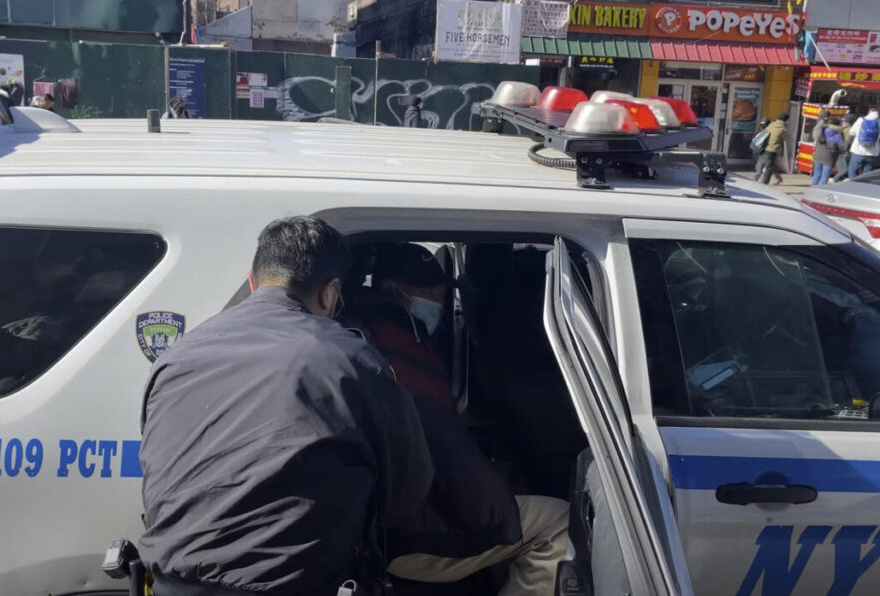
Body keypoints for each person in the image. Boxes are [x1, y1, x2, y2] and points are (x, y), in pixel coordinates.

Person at [139, 217, 434, 596]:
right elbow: (406, 496)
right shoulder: (349, 359)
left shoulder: (176, 357)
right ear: (330, 294)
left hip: (169, 584)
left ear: (252, 280)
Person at [346, 242, 570, 596]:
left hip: (404, 511)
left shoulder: (388, 335)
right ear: (392, 289)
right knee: (559, 523)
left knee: (511, 497)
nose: (436, 297)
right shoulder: (390, 350)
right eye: (426, 289)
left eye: (439, 289)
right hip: (405, 529)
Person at [848, 105, 880, 178]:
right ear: (878, 113)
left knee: (853, 171)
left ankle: (852, 186)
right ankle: (863, 187)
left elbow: (851, 132)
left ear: (869, 112)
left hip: (858, 150)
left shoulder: (861, 120)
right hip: (872, 152)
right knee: (866, 174)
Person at [811, 117, 846, 186]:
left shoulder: (823, 129)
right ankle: (820, 191)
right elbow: (842, 147)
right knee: (825, 176)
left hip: (818, 155)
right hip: (829, 157)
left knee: (817, 173)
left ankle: (813, 188)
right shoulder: (838, 134)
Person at [757, 112, 788, 186]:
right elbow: (785, 139)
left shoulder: (771, 125)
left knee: (769, 164)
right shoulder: (783, 129)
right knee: (768, 167)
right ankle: (764, 184)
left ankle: (778, 178)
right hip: (772, 150)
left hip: (764, 147)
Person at [832, 115, 857, 182]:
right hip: (845, 152)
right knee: (844, 169)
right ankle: (836, 180)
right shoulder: (849, 130)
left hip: (838, 151)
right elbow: (847, 142)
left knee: (842, 169)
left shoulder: (840, 128)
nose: (843, 122)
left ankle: (838, 180)